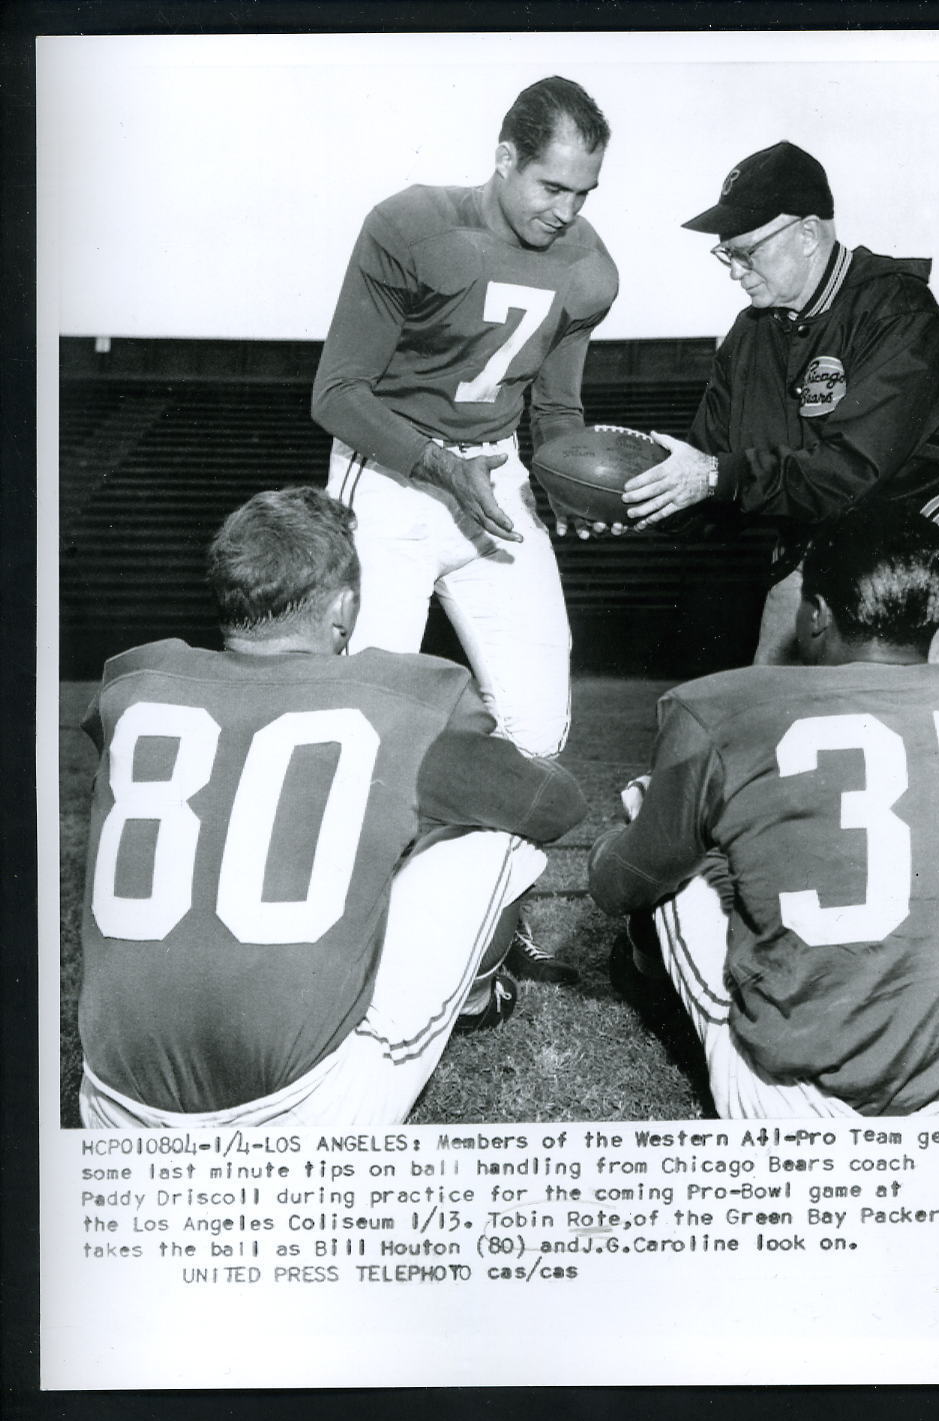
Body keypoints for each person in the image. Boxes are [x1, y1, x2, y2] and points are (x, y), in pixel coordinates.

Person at [77, 487, 586, 1128]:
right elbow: (554, 805)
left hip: (113, 1106)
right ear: (343, 607)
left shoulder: (131, 684)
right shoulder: (401, 695)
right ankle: (481, 997)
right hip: (300, 1113)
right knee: (497, 833)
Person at [589, 501, 939, 1118]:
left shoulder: (722, 708)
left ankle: (645, 969)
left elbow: (621, 882)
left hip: (800, 1100)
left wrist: (621, 847)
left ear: (813, 615)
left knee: (657, 804)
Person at [311, 75, 618, 985]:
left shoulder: (591, 270)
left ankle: (492, 927)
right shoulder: (410, 226)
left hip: (497, 476)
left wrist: (570, 480)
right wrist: (439, 467)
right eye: (550, 186)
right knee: (363, 718)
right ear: (503, 159)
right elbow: (336, 394)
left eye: (584, 192)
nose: (566, 211)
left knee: (538, 721)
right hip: (391, 477)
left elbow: (556, 410)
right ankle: (345, 932)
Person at [619, 141, 939, 665]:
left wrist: (710, 476)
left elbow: (851, 469)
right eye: (728, 253)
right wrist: (633, 500)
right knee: (778, 714)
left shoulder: (897, 310)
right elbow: (712, 465)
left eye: (748, 252)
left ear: (808, 234)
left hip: (920, 537)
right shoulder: (749, 337)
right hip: (816, 537)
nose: (735, 270)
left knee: (907, 718)